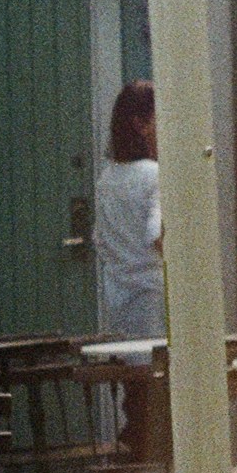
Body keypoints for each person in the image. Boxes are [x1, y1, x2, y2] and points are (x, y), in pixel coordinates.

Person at [94, 80, 165, 341]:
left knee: (132, 374)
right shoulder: (154, 174)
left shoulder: (106, 179)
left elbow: (100, 242)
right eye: (160, 119)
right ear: (141, 125)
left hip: (118, 297)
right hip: (153, 297)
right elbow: (158, 235)